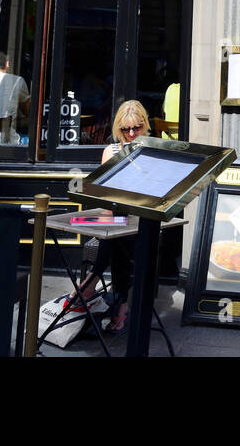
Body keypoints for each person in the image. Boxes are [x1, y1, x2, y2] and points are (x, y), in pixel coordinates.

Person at [76, 100, 152, 333]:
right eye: (125, 129)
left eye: (136, 128)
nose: (130, 134)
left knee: (119, 240)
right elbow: (104, 193)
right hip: (119, 215)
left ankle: (90, 282)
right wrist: (107, 223)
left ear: (144, 125)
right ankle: (121, 306)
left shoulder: (151, 149)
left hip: (143, 217)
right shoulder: (111, 151)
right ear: (118, 128)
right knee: (115, 238)